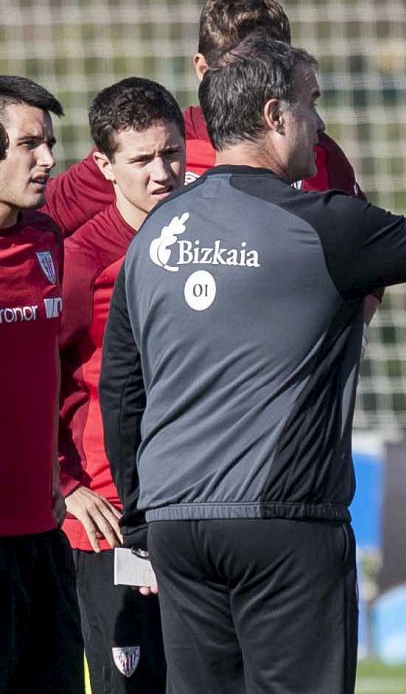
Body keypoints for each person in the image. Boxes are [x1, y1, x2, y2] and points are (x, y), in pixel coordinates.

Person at [99, 34, 406, 694]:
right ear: (275, 116)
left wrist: (140, 518)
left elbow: (122, 392)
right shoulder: (325, 223)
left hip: (175, 526)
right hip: (283, 522)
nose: (321, 122)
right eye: (313, 103)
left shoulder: (155, 232)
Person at [44, 0, 364, 237]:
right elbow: (40, 217)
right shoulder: (149, 148)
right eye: (239, 71)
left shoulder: (317, 154)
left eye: (270, 70)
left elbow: (363, 248)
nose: (252, 85)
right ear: (202, 68)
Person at [57, 77, 185, 693]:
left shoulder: (212, 243)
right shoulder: (82, 260)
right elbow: (32, 383)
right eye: (141, 160)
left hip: (197, 511)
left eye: (171, 153)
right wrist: (65, 483)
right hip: (114, 519)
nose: (161, 172)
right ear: (105, 166)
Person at [0, 75, 83, 693]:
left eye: (49, 143)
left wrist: (61, 478)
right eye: (31, 144)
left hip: (42, 536)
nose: (48, 159)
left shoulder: (46, 239)